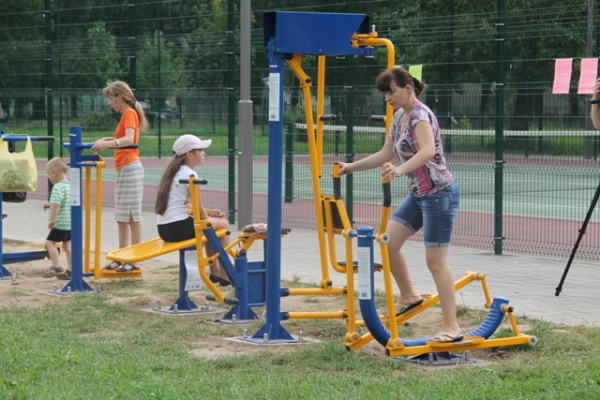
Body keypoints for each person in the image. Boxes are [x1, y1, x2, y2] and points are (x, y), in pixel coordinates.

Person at [338, 67, 462, 343]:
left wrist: (398, 170)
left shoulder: (420, 115)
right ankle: (408, 296)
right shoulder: (399, 116)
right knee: (389, 243)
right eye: (384, 93)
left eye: (391, 92)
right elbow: (386, 152)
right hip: (420, 194)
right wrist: (350, 167)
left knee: (435, 262)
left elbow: (428, 151)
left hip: (440, 194)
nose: (387, 98)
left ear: (408, 89)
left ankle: (451, 327)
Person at [155, 134, 232, 286]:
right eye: (201, 150)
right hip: (178, 228)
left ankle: (216, 272)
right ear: (190, 154)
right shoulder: (190, 174)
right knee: (223, 223)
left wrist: (210, 213)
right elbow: (197, 208)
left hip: (165, 229)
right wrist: (207, 220)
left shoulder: (175, 172)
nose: (204, 154)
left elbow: (185, 206)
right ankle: (224, 271)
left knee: (212, 228)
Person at [91, 80, 148, 272]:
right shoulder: (125, 115)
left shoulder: (129, 113)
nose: (109, 103)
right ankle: (121, 256)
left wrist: (108, 144)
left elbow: (129, 139)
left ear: (120, 98)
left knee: (132, 216)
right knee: (122, 217)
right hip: (124, 168)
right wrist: (106, 140)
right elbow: (122, 138)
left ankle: (134, 259)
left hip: (131, 167)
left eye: (110, 99)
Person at [42, 157, 72, 280]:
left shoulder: (58, 187)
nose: (48, 177)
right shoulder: (69, 185)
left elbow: (57, 205)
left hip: (61, 223)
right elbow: (64, 202)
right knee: (67, 246)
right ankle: (71, 270)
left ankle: (56, 266)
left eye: (48, 174)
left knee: (50, 243)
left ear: (54, 172)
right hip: (70, 223)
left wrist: (52, 220)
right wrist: (49, 204)